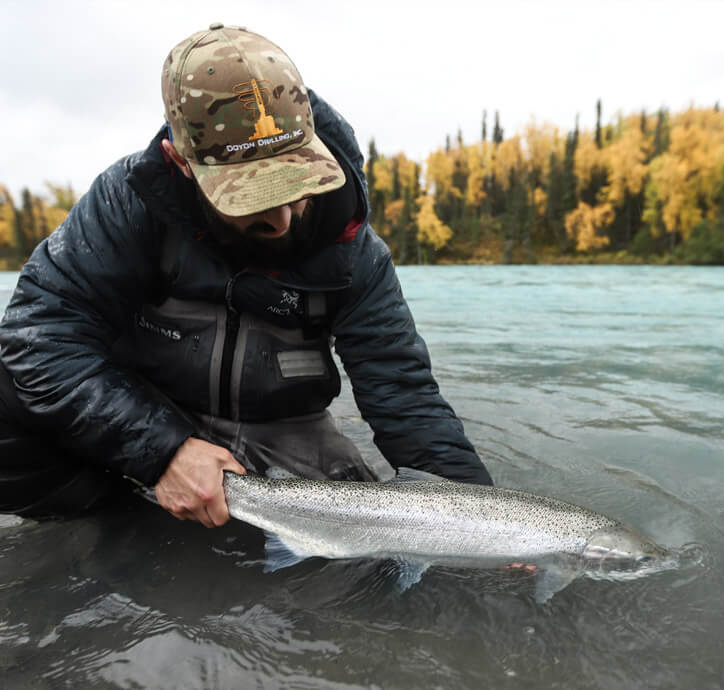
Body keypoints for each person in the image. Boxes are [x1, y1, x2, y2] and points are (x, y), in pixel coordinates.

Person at [0, 24, 491, 526]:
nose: (280, 220)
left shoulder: (354, 250)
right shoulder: (129, 205)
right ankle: (117, 524)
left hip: (280, 428)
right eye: (250, 195)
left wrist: (490, 527)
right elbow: (39, 336)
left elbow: (403, 393)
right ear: (181, 163)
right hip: (152, 407)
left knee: (359, 564)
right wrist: (162, 450)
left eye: (295, 182)